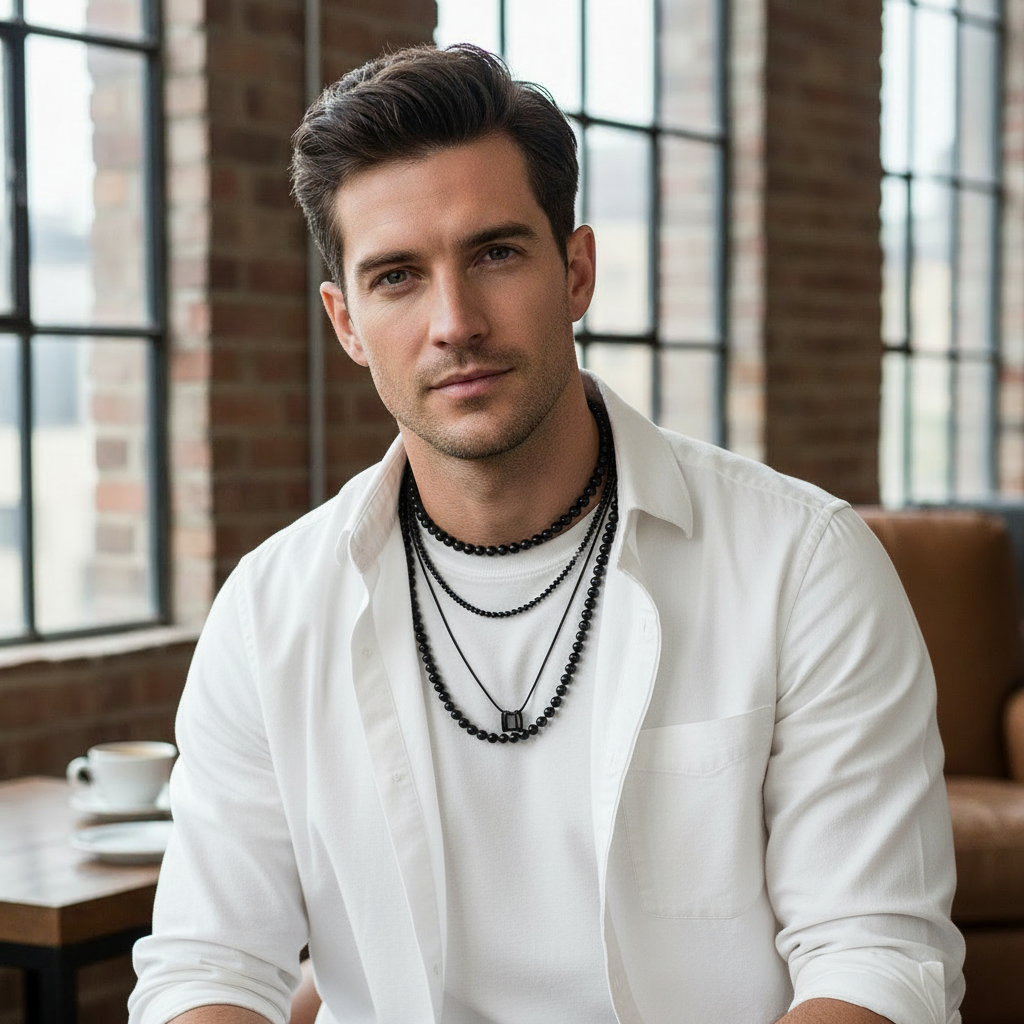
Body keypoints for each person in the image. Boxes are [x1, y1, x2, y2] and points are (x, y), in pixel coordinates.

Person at [129, 43, 965, 1024]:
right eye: (397, 276)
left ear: (575, 270)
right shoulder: (270, 609)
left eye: (494, 252)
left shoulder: (805, 564)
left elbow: (877, 960)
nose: (454, 321)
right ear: (347, 322)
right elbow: (209, 967)